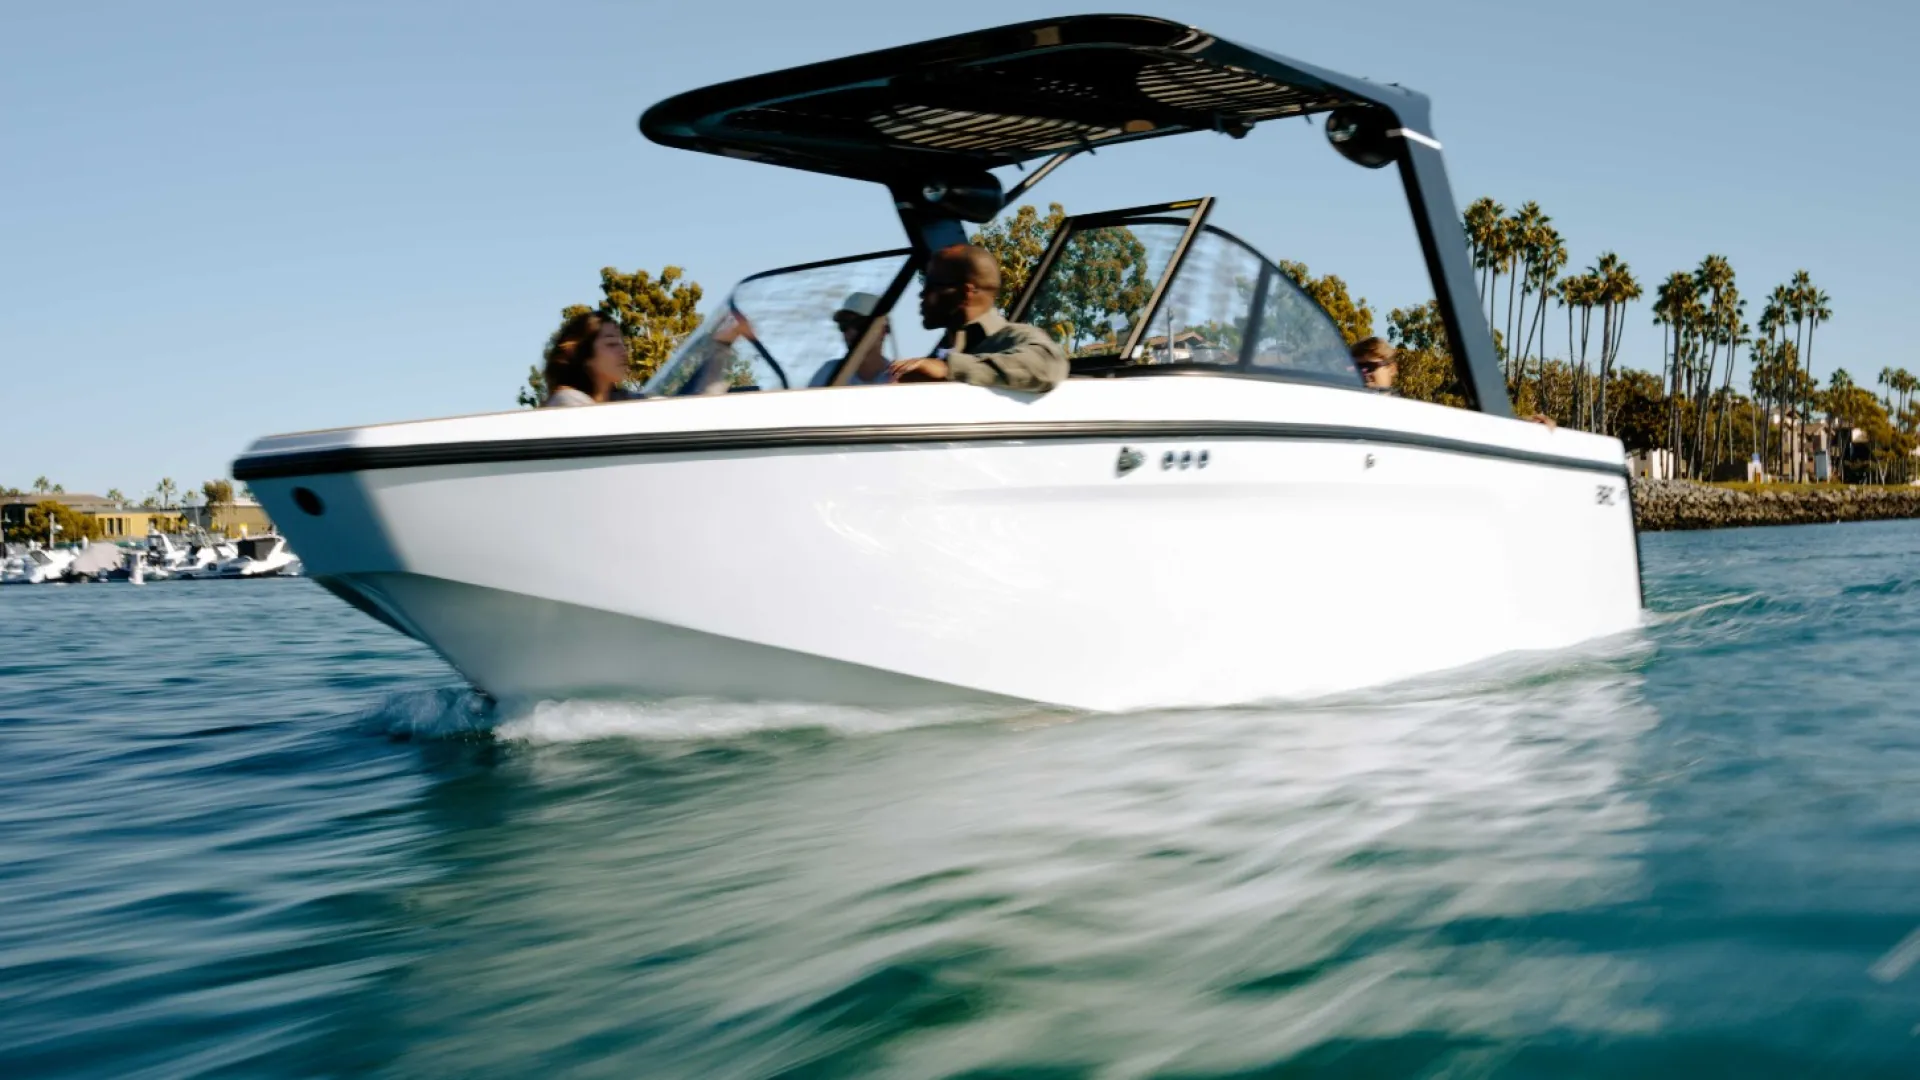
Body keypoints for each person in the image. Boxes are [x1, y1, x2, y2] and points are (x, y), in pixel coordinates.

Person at [888, 244, 1068, 393]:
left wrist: (949, 368)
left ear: (966, 293)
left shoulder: (1013, 337)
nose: (922, 294)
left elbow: (1047, 365)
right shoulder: (942, 350)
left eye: (931, 286)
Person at [541, 311, 637, 407]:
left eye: (623, 344)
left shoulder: (625, 399)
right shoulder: (567, 401)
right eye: (611, 344)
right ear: (585, 355)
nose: (623, 351)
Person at [808, 292, 893, 387]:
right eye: (844, 325)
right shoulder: (827, 373)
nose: (851, 331)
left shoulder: (901, 378)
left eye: (860, 324)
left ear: (883, 331)